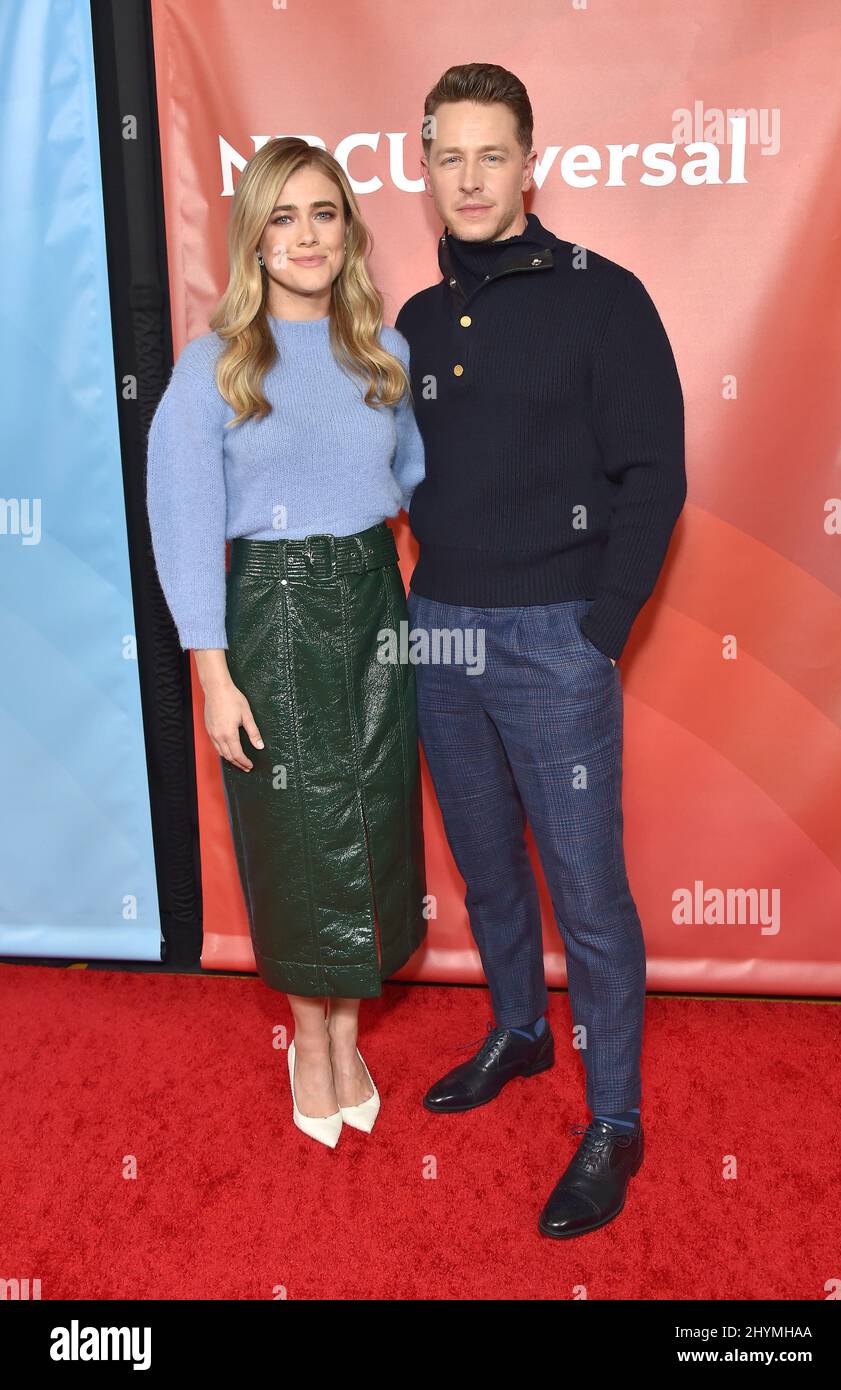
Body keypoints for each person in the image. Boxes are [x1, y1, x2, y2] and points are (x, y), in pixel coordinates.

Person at [395, 64, 686, 1236]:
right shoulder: (414, 320)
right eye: (447, 157)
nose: (470, 178)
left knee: (590, 894)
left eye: (490, 154)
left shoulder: (603, 298)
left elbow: (654, 475)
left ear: (530, 163)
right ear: (427, 170)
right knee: (485, 864)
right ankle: (518, 1029)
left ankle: (614, 1118)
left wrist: (597, 627)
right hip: (441, 635)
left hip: (553, 641)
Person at [146, 136, 428, 1149]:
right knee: (293, 837)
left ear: (346, 230)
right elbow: (183, 524)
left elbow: (417, 486)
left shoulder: (383, 353)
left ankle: (348, 1032)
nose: (305, 236)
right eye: (283, 217)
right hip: (266, 614)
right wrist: (211, 672)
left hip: (372, 605)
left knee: (371, 825)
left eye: (323, 213)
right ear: (254, 240)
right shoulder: (217, 361)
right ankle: (310, 1044)